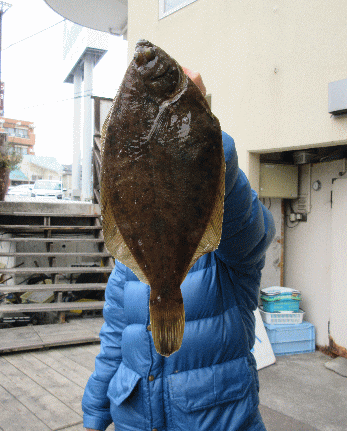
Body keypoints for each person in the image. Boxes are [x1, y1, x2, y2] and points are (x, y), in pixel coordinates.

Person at [82, 68, 275, 431]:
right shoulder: (129, 264)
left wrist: (204, 128)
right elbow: (113, 343)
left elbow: (251, 229)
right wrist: (94, 413)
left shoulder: (226, 254)